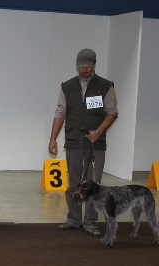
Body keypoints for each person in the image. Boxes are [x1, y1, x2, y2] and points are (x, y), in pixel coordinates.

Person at [48, 48, 118, 237]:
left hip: (96, 143)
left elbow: (112, 112)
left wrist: (99, 131)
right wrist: (53, 138)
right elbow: (60, 113)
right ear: (77, 65)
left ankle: (90, 222)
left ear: (94, 65)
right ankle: (73, 219)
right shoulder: (67, 86)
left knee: (94, 184)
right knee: (74, 182)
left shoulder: (105, 86)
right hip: (73, 141)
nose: (84, 70)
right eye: (81, 67)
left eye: (88, 66)